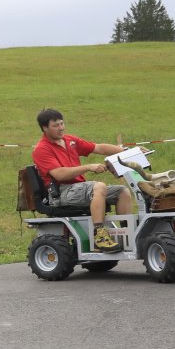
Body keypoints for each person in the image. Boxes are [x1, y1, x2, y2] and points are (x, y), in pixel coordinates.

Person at [33, 108, 134, 251]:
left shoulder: (70, 141)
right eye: (55, 125)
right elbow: (60, 175)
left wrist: (130, 152)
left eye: (62, 123)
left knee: (122, 191)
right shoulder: (41, 149)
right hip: (61, 193)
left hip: (79, 189)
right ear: (45, 128)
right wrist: (88, 167)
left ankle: (127, 234)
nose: (61, 128)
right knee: (99, 186)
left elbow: (99, 148)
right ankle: (99, 236)